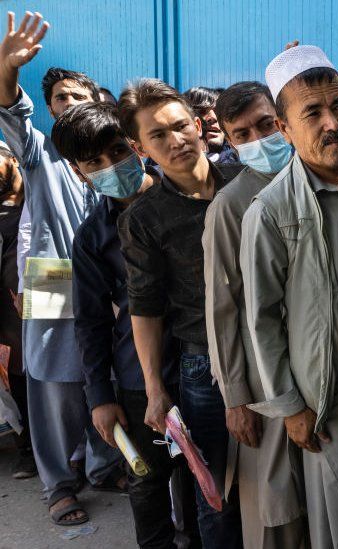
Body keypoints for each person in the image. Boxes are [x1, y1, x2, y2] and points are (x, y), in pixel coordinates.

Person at [239, 45, 338, 549]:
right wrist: (291, 407)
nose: (332, 123)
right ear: (284, 127)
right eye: (313, 112)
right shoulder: (270, 211)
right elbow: (260, 319)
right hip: (332, 398)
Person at [52, 101, 198, 549]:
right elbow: (91, 322)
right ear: (79, 173)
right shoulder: (93, 236)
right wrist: (100, 396)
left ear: (136, 147)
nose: (111, 166)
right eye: (94, 162)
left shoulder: (187, 199)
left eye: (117, 151)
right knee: (149, 480)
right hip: (139, 382)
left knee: (203, 479)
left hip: (201, 368)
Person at [0, 11, 122, 526]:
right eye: (57, 100)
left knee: (109, 371)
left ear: (97, 102)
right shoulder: (40, 152)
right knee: (52, 381)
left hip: (109, 277)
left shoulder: (120, 154)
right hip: (51, 276)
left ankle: (103, 463)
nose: (65, 104)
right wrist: (7, 69)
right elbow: (12, 111)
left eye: (76, 96)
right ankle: (59, 482)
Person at [117, 78, 244, 549]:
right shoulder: (144, 218)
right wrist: (154, 388)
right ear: (139, 147)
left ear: (197, 123)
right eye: (158, 135)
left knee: (281, 479)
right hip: (204, 366)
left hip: (275, 351)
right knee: (218, 494)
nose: (175, 141)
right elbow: (144, 309)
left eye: (179, 126)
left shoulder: (246, 182)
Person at [203, 80, 306, 549]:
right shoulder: (231, 204)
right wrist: (235, 397)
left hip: (322, 372)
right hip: (264, 385)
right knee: (273, 509)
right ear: (228, 139)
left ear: (283, 120)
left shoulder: (318, 175)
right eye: (242, 134)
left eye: (266, 125)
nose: (258, 140)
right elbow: (223, 309)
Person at [0, 142, 35, 480]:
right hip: (6, 312)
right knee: (15, 379)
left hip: (37, 300)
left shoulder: (36, 198)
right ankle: (26, 449)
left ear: (12, 159)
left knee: (42, 374)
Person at [184, 86, 238, 164]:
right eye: (202, 111)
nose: (213, 118)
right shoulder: (164, 171)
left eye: (218, 112)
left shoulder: (243, 161)